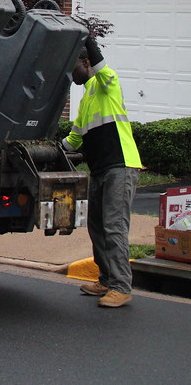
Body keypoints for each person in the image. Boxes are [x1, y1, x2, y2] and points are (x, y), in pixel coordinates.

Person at [64, 37, 143, 308]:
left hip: (120, 166)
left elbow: (102, 67)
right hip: (100, 170)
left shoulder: (107, 84)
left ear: (86, 63)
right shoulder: (86, 99)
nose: (71, 73)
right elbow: (74, 139)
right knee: (96, 226)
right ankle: (107, 279)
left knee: (114, 227)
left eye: (74, 66)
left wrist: (86, 37)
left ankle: (121, 287)